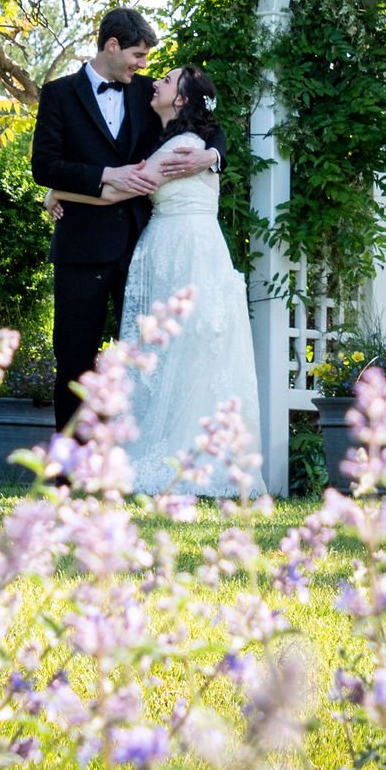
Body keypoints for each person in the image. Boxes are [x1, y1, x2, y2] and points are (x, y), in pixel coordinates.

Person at [46, 64, 261, 497]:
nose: (153, 79)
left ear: (181, 99)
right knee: (177, 356)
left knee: (176, 352)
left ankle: (173, 458)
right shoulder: (163, 129)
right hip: (184, 248)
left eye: (166, 79)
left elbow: (117, 190)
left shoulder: (183, 147)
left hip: (180, 250)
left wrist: (59, 189)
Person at [30, 8, 223, 434]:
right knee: (75, 360)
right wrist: (100, 177)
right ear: (112, 46)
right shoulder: (59, 94)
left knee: (140, 361)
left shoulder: (145, 96)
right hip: (81, 249)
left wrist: (213, 156)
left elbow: (205, 124)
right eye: (138, 55)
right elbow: (44, 166)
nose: (143, 66)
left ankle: (122, 459)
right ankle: (68, 464)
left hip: (143, 251)